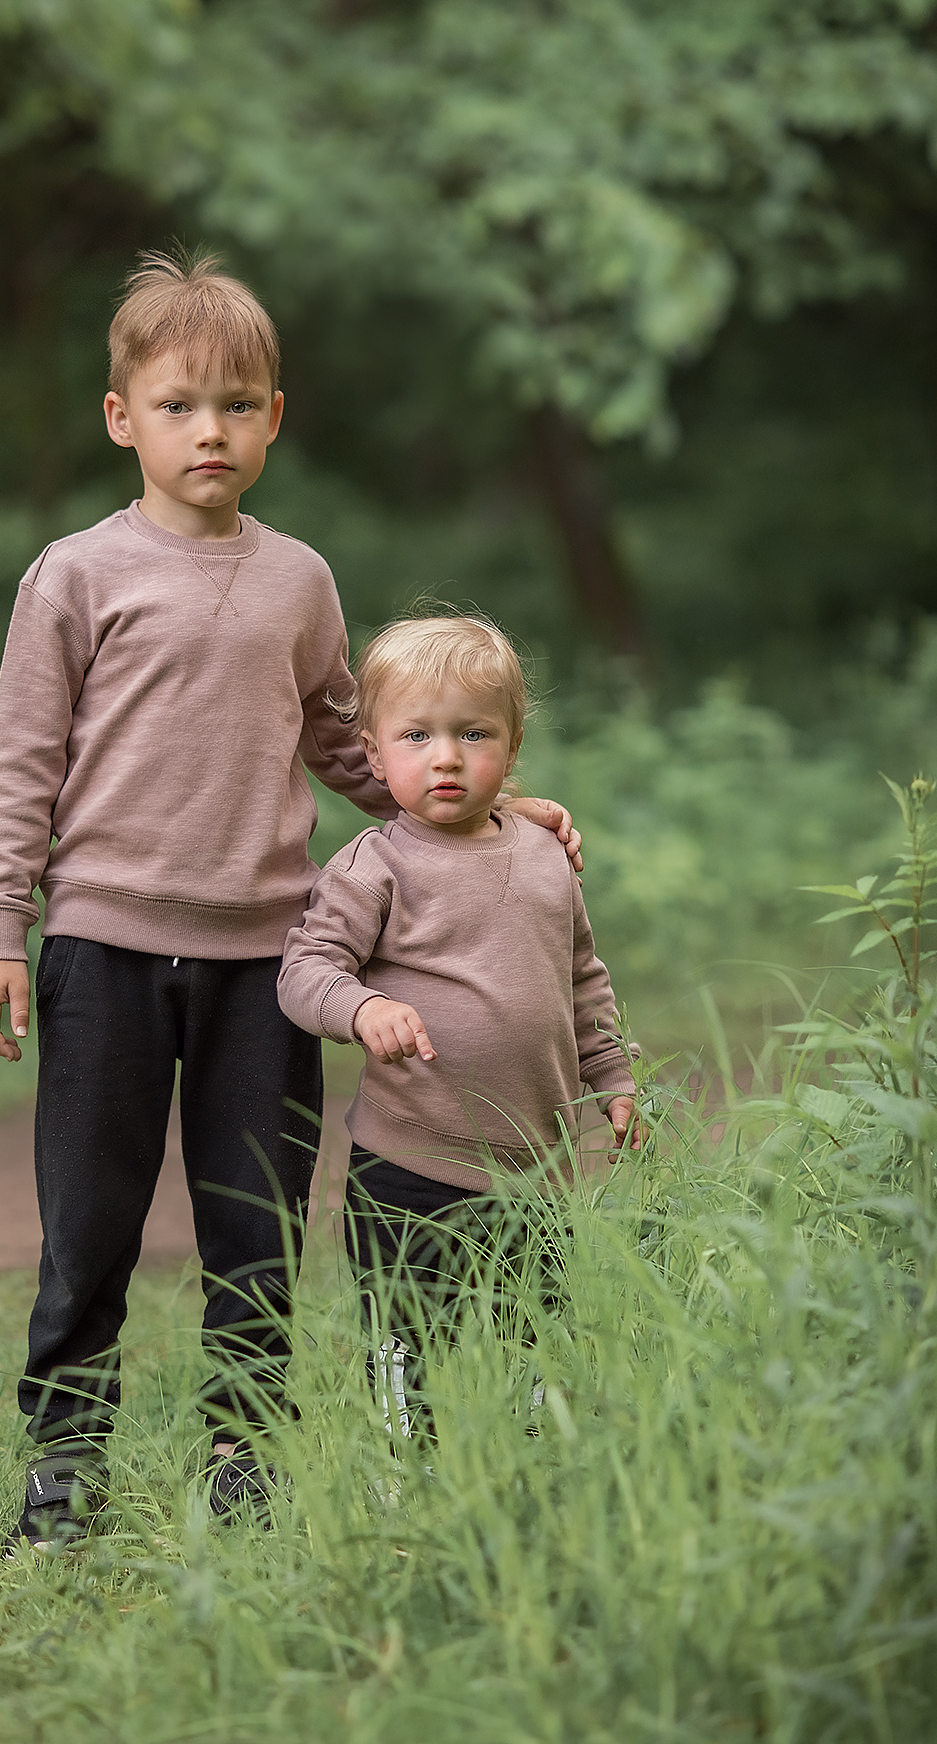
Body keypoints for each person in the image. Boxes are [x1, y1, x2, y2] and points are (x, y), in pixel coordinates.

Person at [0, 252, 583, 1549]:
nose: (211, 430)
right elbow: (23, 761)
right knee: (91, 1226)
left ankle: (247, 1457)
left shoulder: (300, 580)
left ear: (275, 421)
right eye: (182, 404)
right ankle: (65, 1466)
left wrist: (485, 806)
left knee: (255, 1230)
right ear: (122, 416)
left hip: (266, 960)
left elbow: (352, 744)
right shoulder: (74, 575)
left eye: (238, 405)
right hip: (102, 952)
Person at [277, 614, 640, 1450]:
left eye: (473, 733)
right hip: (411, 1164)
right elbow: (303, 973)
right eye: (418, 735)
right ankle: (412, 1475)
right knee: (411, 1342)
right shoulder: (376, 864)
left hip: (536, 1164)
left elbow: (581, 976)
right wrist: (362, 1007)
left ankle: (528, 1463)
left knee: (531, 1337)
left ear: (511, 749)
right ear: (373, 755)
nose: (446, 756)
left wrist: (614, 1079)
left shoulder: (547, 854)